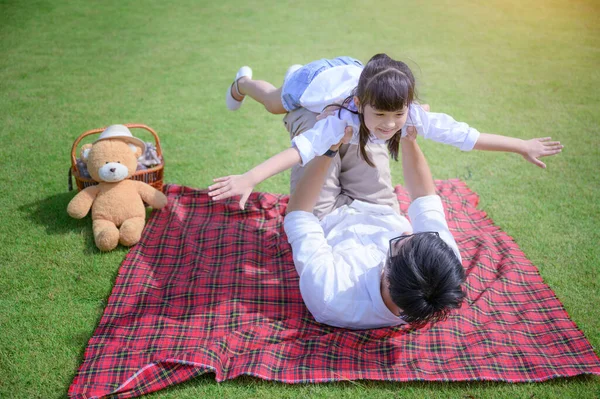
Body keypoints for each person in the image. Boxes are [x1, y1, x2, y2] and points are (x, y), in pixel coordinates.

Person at [210, 53, 563, 213]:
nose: (390, 124)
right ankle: (243, 83)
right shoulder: (341, 116)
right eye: (380, 115)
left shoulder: (409, 115)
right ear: (361, 105)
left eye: (398, 114)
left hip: (357, 72)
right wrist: (249, 177)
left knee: (380, 128)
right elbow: (299, 151)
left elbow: (467, 137)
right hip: (316, 83)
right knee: (276, 103)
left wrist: (521, 146)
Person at [284, 128, 465, 329]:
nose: (406, 232)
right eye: (415, 236)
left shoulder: (330, 294)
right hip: (380, 206)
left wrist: (328, 150)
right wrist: (408, 136)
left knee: (316, 126)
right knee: (363, 124)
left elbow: (299, 217)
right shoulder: (443, 261)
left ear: (387, 275)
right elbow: (425, 199)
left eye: (399, 244)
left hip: (323, 217)